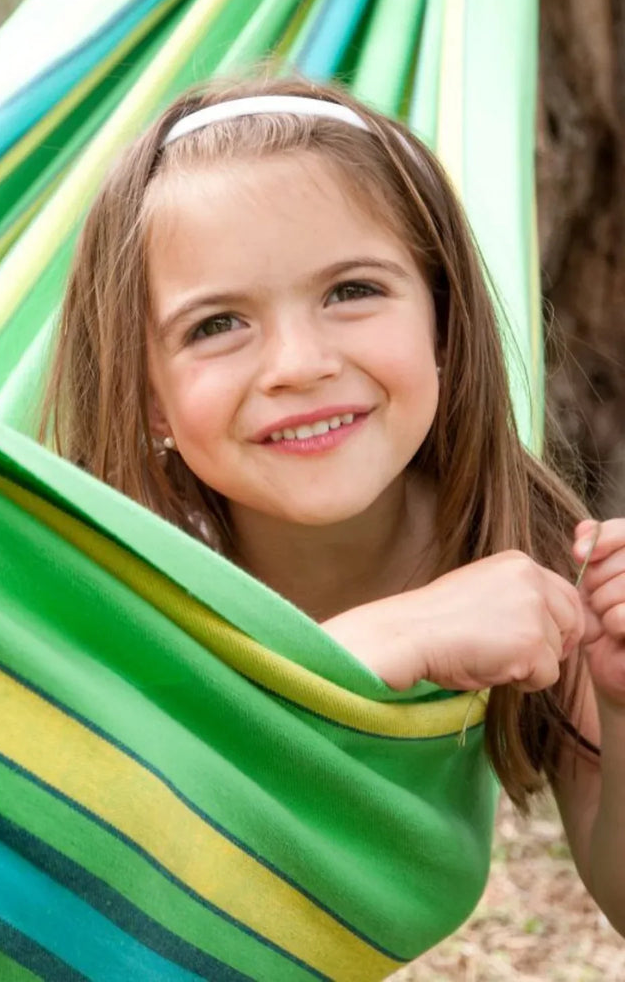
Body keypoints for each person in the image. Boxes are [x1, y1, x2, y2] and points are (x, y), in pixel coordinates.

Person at [43, 75, 625, 934]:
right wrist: (380, 645)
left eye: (351, 291)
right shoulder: (113, 581)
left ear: (442, 323)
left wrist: (619, 707)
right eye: (215, 325)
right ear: (149, 400)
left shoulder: (523, 554)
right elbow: (107, 878)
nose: (299, 364)